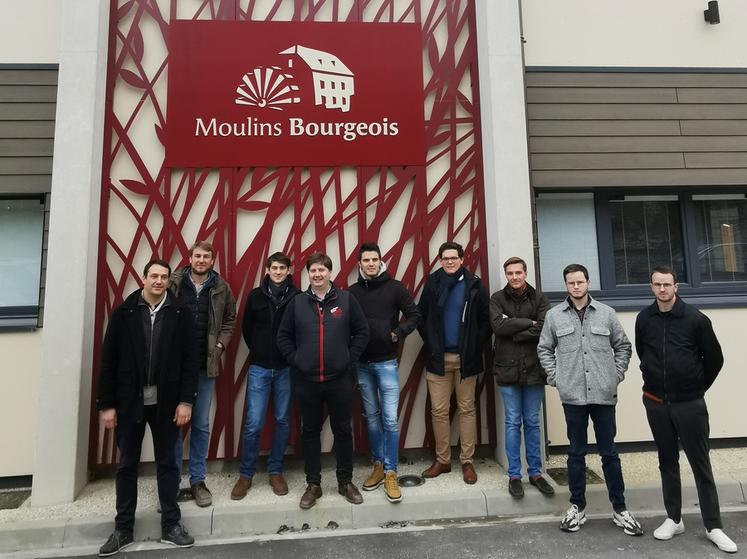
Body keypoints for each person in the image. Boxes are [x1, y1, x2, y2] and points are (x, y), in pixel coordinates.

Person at [96, 260, 198, 556]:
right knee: (127, 465)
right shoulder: (124, 313)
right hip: (129, 404)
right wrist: (108, 404)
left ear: (169, 281)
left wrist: (186, 401)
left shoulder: (180, 314)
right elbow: (108, 363)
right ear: (143, 278)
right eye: (154, 275)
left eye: (164, 277)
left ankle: (171, 525)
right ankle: (123, 529)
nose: (159, 281)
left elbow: (191, 361)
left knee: (168, 464)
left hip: (167, 405)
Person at [635, 266, 736, 553]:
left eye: (667, 284)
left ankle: (713, 525)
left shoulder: (695, 319)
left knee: (700, 464)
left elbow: (714, 358)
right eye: (657, 285)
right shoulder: (644, 319)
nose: (662, 290)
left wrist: (695, 388)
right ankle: (674, 518)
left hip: (690, 403)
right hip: (655, 402)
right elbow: (644, 353)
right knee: (667, 461)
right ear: (651, 286)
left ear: (676, 287)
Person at [537, 263, 642, 536]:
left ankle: (620, 509)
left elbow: (623, 346)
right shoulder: (554, 316)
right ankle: (577, 507)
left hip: (604, 395)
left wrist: (615, 375)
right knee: (575, 454)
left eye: (580, 282)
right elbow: (544, 349)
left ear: (588, 282)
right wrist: (556, 378)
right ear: (566, 285)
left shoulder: (606, 314)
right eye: (571, 283)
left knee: (609, 454)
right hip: (572, 396)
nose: (576, 286)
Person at [277, 252, 370, 509]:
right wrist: (297, 360)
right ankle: (313, 484)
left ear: (330, 272)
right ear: (308, 274)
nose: (317, 275)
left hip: (339, 379)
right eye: (313, 271)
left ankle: (345, 482)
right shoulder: (297, 303)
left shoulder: (346, 300)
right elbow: (283, 337)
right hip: (307, 380)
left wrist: (347, 359)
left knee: (343, 430)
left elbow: (362, 332)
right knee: (310, 432)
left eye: (322, 270)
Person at [349, 242, 421, 503]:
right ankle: (378, 465)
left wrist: (397, 333)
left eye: (374, 259)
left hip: (386, 363)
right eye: (366, 260)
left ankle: (391, 471)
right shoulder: (352, 292)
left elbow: (414, 315)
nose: (370, 264)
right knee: (371, 417)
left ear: (381, 262)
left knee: (390, 419)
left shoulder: (395, 288)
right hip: (362, 365)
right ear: (359, 264)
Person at [170, 241, 237, 507]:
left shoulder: (221, 287)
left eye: (206, 257)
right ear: (190, 258)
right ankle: (171, 480)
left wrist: (220, 346)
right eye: (197, 256)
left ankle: (197, 480)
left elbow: (230, 319)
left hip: (204, 366)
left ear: (212, 260)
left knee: (200, 424)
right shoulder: (174, 282)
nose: (201, 260)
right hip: (173, 368)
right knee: (173, 425)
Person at [417, 241, 491, 484]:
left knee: (467, 409)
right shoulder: (432, 284)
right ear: (440, 260)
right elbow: (421, 317)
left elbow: (485, 321)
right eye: (445, 258)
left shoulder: (474, 285)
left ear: (462, 259)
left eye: (453, 258)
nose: (449, 261)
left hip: (466, 359)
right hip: (439, 359)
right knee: (439, 411)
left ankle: (467, 461)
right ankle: (443, 460)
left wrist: (473, 347)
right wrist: (432, 343)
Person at [231, 252, 300, 500]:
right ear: (267, 270)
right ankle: (246, 474)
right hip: (260, 367)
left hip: (285, 369)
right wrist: (261, 350)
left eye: (283, 268)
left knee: (282, 420)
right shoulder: (255, 296)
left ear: (289, 270)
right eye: (274, 268)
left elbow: (300, 330)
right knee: (254, 423)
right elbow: (247, 329)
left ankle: (275, 471)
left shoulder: (297, 297)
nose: (279, 272)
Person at [489, 256, 554, 498]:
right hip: (507, 369)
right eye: (510, 273)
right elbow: (498, 327)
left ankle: (536, 473)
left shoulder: (540, 298)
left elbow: (545, 327)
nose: (514, 277)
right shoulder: (497, 299)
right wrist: (529, 323)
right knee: (512, 422)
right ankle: (515, 474)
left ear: (526, 273)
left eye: (518, 272)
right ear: (506, 275)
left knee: (534, 423)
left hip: (534, 369)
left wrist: (514, 328)